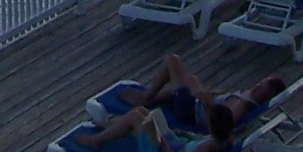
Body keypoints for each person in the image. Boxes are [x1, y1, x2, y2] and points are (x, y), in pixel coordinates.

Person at [120, 52, 288, 129]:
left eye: (261, 87)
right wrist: (212, 95)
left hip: (192, 113)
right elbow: (225, 102)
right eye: (260, 82)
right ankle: (149, 98)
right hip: (196, 107)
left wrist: (207, 102)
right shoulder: (249, 97)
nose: (257, 86)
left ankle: (147, 97)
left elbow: (226, 122)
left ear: (268, 95)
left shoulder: (244, 105)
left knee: (173, 61)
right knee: (186, 82)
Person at [69, 99, 236, 152]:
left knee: (137, 116)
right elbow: (200, 141)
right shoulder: (224, 138)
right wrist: (188, 135)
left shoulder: (207, 150)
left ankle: (96, 140)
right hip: (174, 143)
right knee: (143, 111)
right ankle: (113, 127)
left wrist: (163, 146)